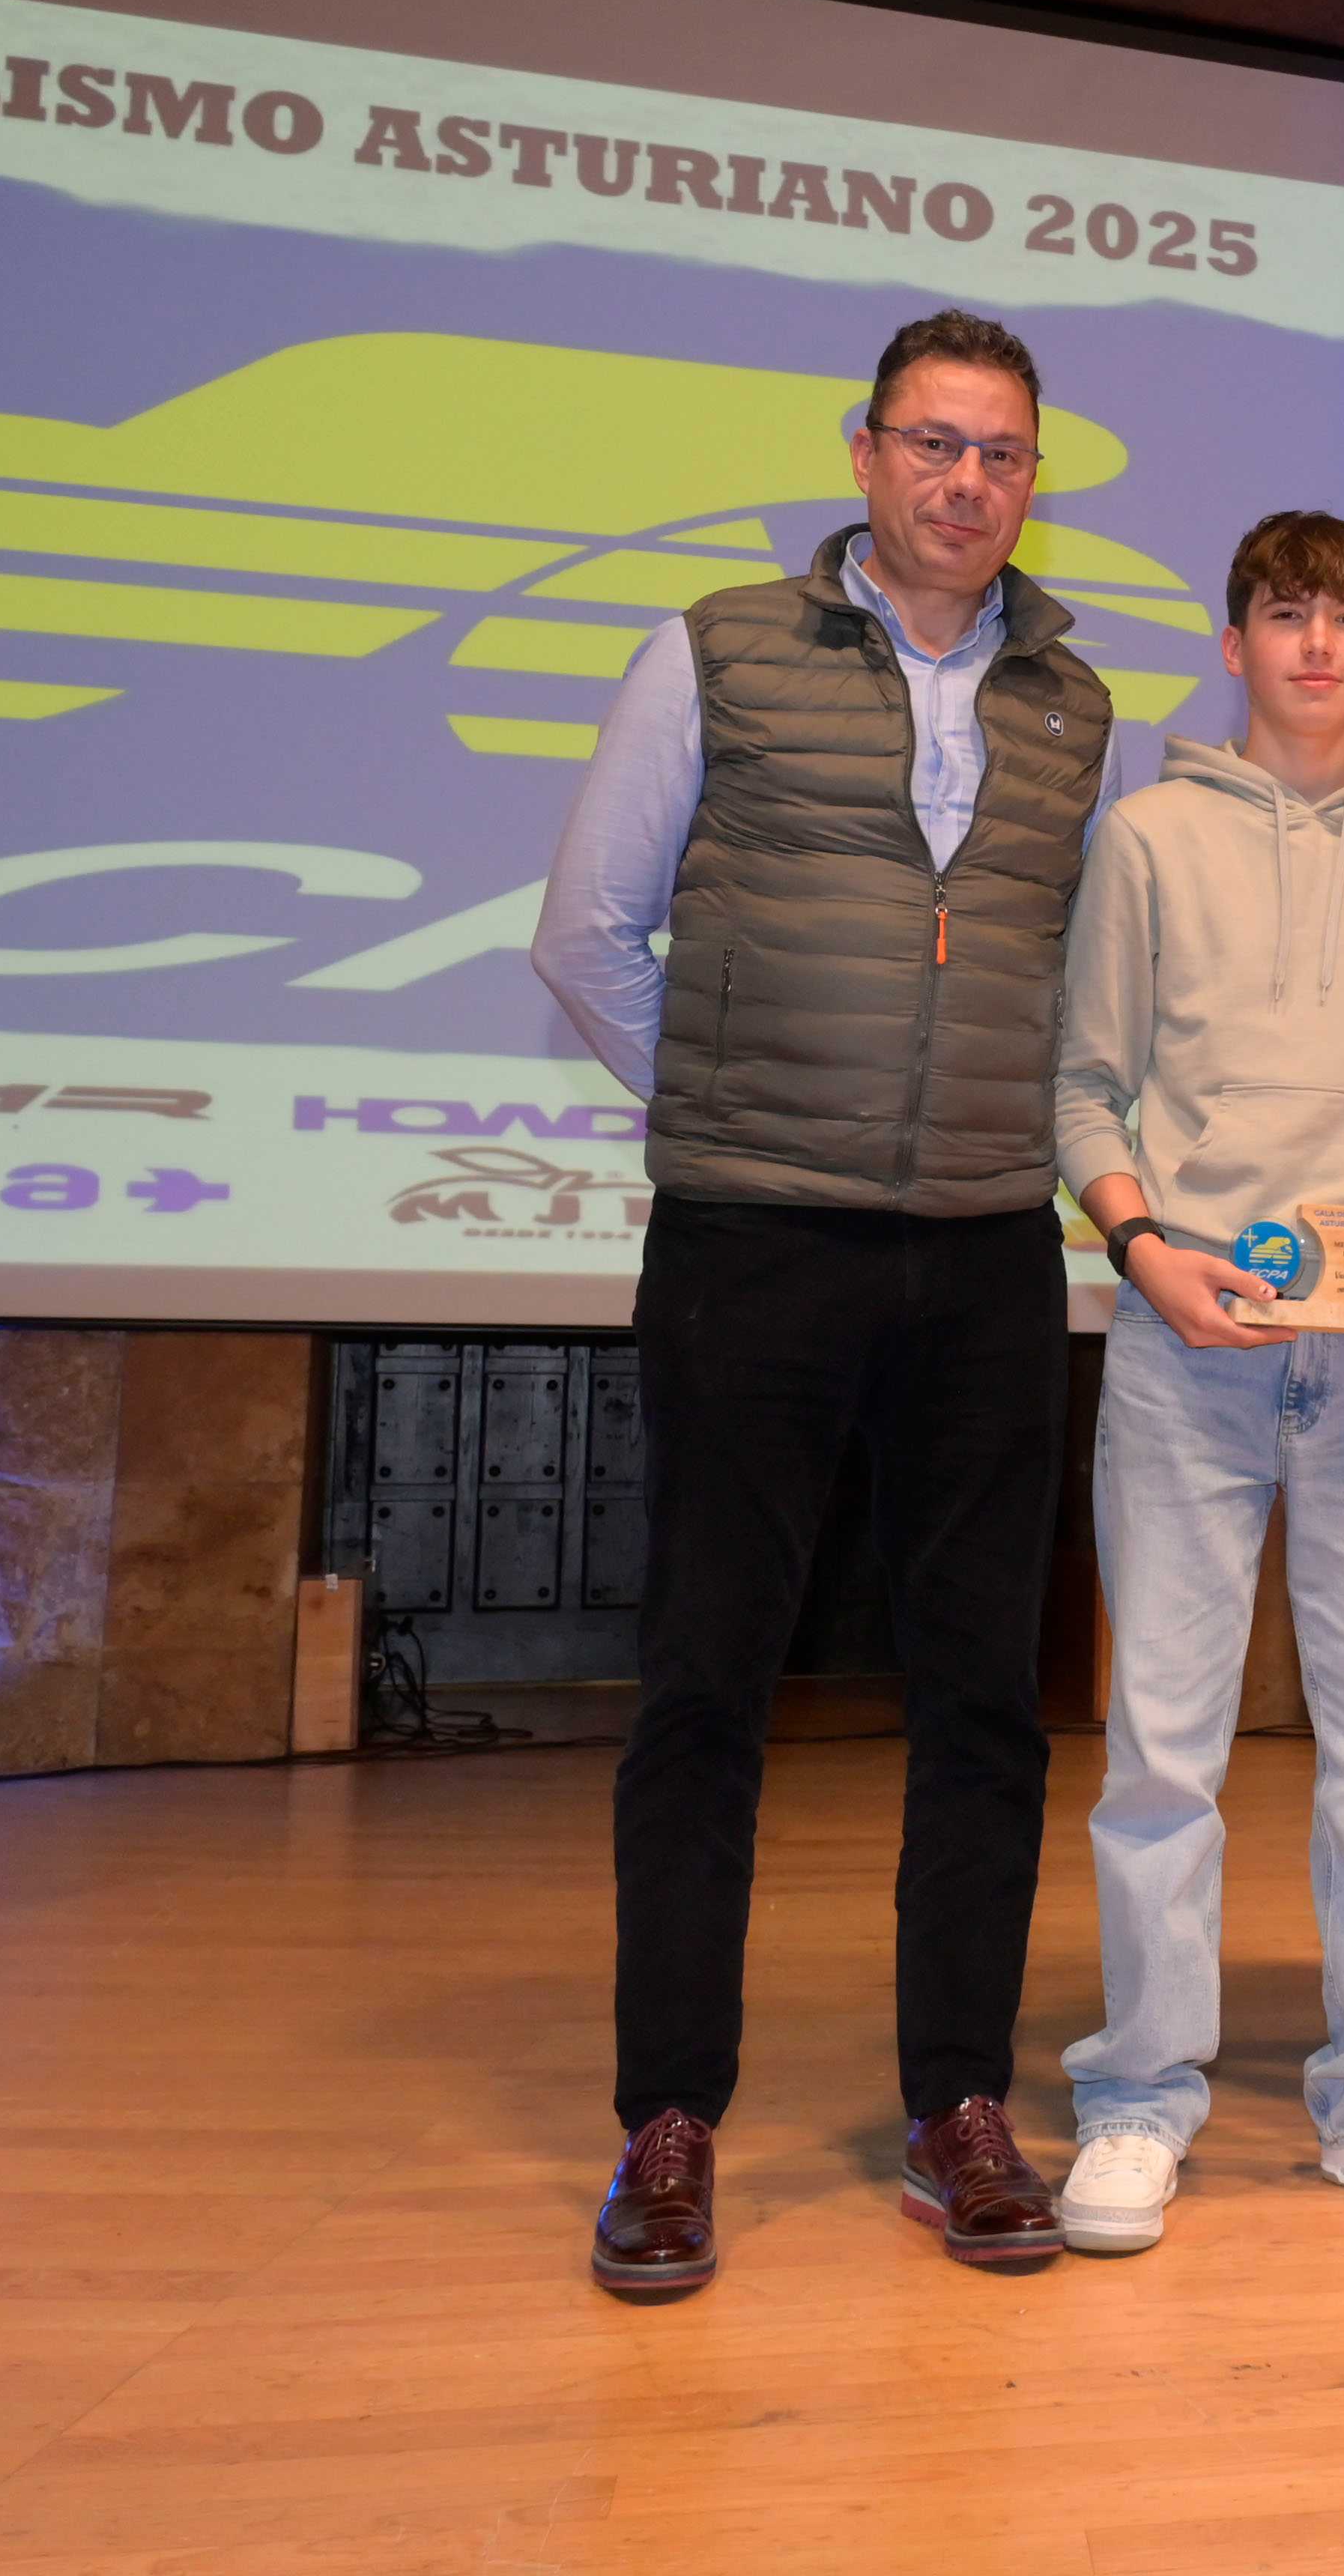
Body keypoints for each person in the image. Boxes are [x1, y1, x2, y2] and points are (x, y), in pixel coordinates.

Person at [532, 310, 1110, 2294]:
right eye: (933, 446)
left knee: (983, 1705)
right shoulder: (716, 651)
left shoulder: (1074, 703)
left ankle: (960, 2109)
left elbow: (1074, 989)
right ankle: (670, 2121)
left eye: (1003, 457)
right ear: (864, 458)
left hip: (982, 1254)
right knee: (706, 1691)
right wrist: (727, 1118)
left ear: (1032, 484)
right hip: (750, 1245)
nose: (966, 484)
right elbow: (588, 935)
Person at [1049, 509, 1344, 2252]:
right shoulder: (1149, 836)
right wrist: (1139, 1247)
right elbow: (1084, 1089)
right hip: (1186, 1358)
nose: (1314, 644)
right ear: (1235, 640)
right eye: (1282, 614)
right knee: (1162, 1744)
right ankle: (1135, 2096)